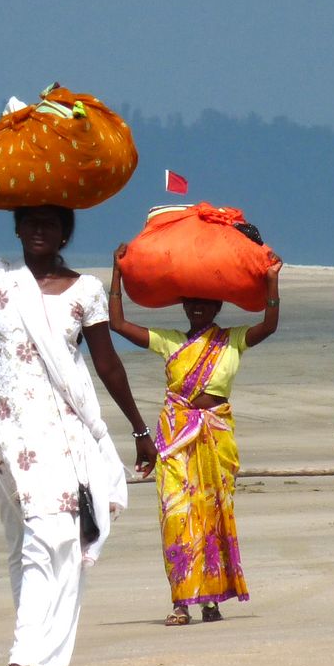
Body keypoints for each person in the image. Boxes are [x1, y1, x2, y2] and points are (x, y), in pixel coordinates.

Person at [0, 145, 157, 666]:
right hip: (6, 427)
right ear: (19, 230)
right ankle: (38, 652)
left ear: (65, 233)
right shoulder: (1, 279)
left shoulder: (86, 291)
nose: (40, 231)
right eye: (31, 223)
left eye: (51, 223)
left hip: (59, 429)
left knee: (54, 532)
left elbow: (108, 365)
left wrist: (139, 429)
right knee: (24, 535)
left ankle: (26, 654)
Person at [109, 241, 282, 626]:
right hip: (174, 438)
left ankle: (211, 602)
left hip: (215, 438)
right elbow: (118, 326)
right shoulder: (171, 341)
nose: (198, 308)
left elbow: (269, 326)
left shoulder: (232, 340)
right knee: (177, 515)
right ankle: (180, 603)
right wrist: (117, 273)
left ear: (219, 306)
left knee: (212, 515)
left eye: (206, 302)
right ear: (184, 305)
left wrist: (272, 281)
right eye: (192, 302)